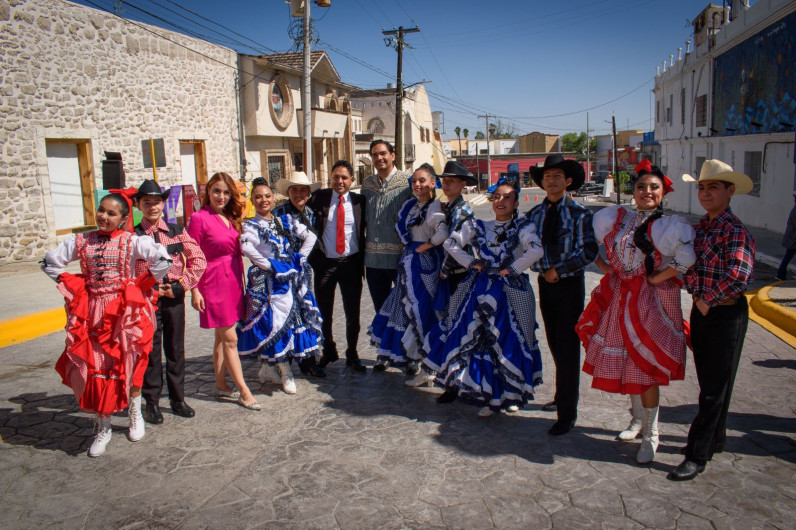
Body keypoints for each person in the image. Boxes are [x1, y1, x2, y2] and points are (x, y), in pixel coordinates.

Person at [576, 160, 696, 464]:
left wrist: (657, 277)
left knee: (646, 366)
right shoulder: (615, 218)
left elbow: (686, 257)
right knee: (629, 361)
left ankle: (652, 433)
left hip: (651, 303)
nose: (646, 191)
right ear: (634, 190)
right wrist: (605, 268)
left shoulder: (670, 226)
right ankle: (637, 420)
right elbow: (602, 253)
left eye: (653, 187)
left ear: (663, 193)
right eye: (641, 186)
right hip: (619, 298)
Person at [41, 191, 171, 457]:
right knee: (98, 366)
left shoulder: (130, 241)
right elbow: (49, 262)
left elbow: (163, 260)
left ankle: (136, 414)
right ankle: (104, 425)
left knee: (130, 362)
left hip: (124, 314)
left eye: (112, 213)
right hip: (93, 313)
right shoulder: (83, 241)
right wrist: (69, 281)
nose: (104, 216)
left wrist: (141, 284)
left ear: (124, 218)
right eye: (102, 210)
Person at [423, 180, 544, 417]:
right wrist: (470, 262)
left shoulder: (523, 227)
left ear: (516, 202)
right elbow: (450, 243)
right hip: (480, 288)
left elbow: (536, 250)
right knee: (476, 337)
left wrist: (514, 268)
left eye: (507, 197)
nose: (501, 201)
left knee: (511, 339)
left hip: (510, 291)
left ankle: (511, 394)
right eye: (497, 196)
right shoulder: (478, 225)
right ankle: (488, 393)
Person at [668, 159, 755, 481]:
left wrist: (707, 299)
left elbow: (739, 276)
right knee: (711, 383)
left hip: (725, 312)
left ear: (729, 191)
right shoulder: (700, 228)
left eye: (713, 187)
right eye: (702, 187)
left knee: (713, 389)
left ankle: (697, 453)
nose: (705, 193)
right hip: (702, 310)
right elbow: (687, 266)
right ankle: (715, 438)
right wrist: (695, 294)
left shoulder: (735, 230)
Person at [524, 154, 598, 436]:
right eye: (547, 176)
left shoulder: (580, 214)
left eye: (557, 176)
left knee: (568, 347)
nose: (551, 181)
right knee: (554, 341)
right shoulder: (534, 215)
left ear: (567, 181)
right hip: (545, 284)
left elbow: (589, 251)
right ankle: (561, 394)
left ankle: (567, 413)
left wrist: (559, 270)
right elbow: (527, 247)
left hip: (569, 286)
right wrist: (542, 269)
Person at [237, 178, 321, 394]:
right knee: (274, 326)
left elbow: (310, 236)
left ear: (273, 198)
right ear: (252, 201)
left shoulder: (284, 220)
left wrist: (298, 259)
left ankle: (268, 370)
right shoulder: (250, 226)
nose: (263, 200)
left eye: (267, 196)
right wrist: (270, 266)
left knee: (291, 323)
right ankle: (285, 372)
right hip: (268, 283)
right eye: (258, 197)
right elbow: (247, 248)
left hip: (289, 280)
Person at [133, 180, 207, 425]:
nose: (152, 207)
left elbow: (198, 259)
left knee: (175, 349)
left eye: (156, 202)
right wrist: (147, 289)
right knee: (151, 351)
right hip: (147, 301)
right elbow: (127, 269)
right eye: (147, 202)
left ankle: (178, 399)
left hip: (173, 297)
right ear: (138, 205)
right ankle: (151, 402)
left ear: (163, 203)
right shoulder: (132, 236)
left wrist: (180, 286)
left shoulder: (177, 231)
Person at [187, 172, 260, 411]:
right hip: (213, 283)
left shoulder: (230, 217)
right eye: (217, 191)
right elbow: (191, 255)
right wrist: (194, 290)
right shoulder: (199, 218)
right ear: (208, 191)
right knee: (230, 338)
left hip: (233, 281)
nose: (221, 196)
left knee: (220, 338)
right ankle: (244, 391)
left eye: (226, 192)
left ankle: (220, 383)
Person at [370, 163, 447, 379]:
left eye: (422, 180)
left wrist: (428, 245)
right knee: (402, 306)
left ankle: (425, 360)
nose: (417, 184)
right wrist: (411, 245)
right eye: (414, 181)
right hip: (409, 262)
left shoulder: (435, 207)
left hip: (424, 264)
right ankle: (407, 357)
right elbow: (402, 229)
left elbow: (443, 231)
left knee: (421, 308)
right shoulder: (412, 205)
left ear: (433, 182)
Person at [418, 160, 477, 396]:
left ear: (463, 184)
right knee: (449, 325)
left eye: (452, 181)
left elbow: (456, 247)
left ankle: (454, 383)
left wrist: (444, 269)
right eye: (446, 180)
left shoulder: (462, 211)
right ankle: (450, 377)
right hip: (451, 275)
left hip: (458, 276)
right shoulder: (450, 207)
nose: (447, 184)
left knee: (454, 327)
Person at [306, 160, 367, 373]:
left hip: (351, 264)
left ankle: (352, 352)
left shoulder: (360, 202)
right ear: (330, 178)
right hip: (326, 266)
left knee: (353, 313)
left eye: (344, 177)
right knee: (324, 312)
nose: (339, 181)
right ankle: (329, 350)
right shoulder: (319, 198)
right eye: (335, 177)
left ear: (352, 180)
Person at [272, 170, 326, 379]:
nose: (299, 194)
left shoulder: (311, 214)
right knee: (285, 315)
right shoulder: (278, 214)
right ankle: (284, 363)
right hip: (283, 273)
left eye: (303, 190)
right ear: (288, 192)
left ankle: (308, 361)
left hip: (303, 273)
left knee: (305, 314)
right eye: (295, 190)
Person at [360, 141, 414, 311]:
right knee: (381, 310)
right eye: (375, 155)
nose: (379, 158)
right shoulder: (367, 184)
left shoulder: (408, 183)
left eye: (383, 153)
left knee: (405, 309)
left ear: (392, 155)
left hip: (400, 259)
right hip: (373, 261)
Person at [776, 192, 796, 281]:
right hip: (793, 239)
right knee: (788, 257)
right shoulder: (795, 211)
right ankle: (780, 274)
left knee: (788, 256)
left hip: (792, 239)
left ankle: (780, 274)